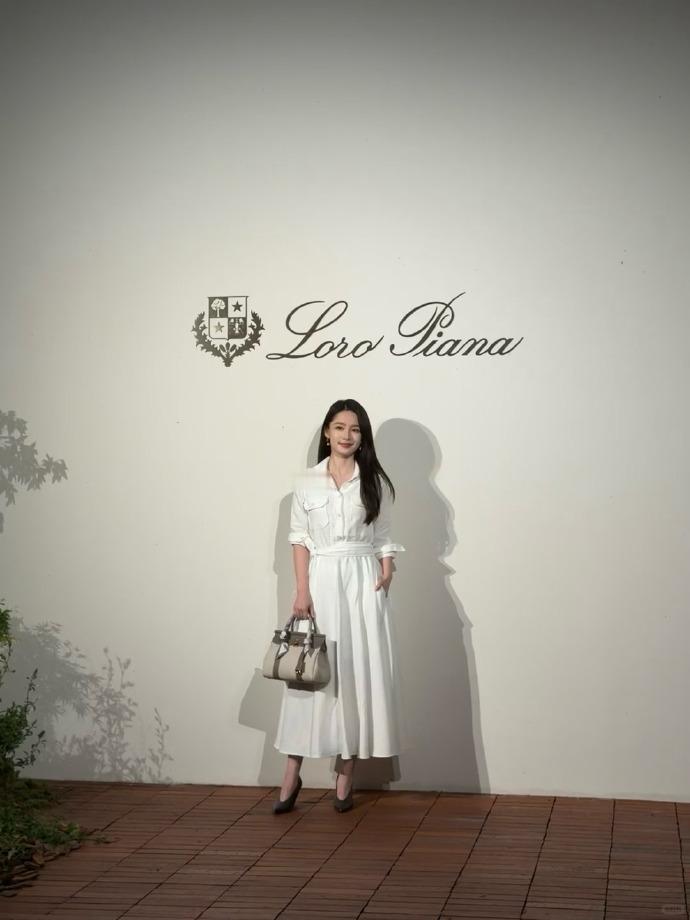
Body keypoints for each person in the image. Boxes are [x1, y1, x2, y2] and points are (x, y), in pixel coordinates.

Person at [272, 398, 406, 814]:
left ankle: (345, 774)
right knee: (309, 676)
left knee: (355, 674)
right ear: (327, 433)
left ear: (362, 437)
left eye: (355, 429)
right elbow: (299, 539)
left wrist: (387, 567)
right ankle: (291, 775)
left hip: (363, 583)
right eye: (340, 427)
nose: (347, 435)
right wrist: (302, 590)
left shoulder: (374, 482)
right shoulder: (308, 480)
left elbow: (383, 536)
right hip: (322, 581)